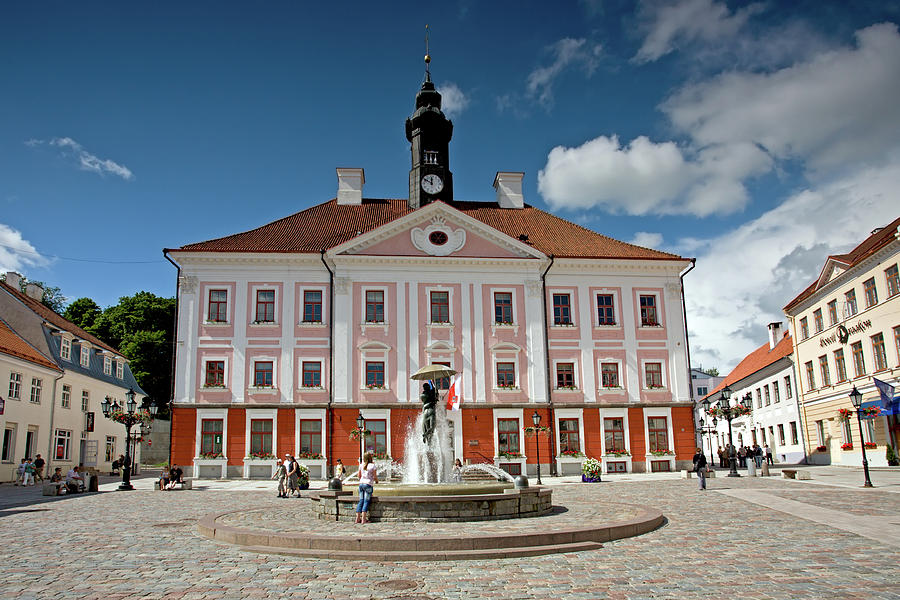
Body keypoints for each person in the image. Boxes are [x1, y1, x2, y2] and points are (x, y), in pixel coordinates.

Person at [355, 451, 378, 524]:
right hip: (368, 484)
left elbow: (358, 476)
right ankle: (363, 519)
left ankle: (357, 518)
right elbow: (374, 476)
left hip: (361, 484)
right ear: (370, 458)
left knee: (361, 500)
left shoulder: (361, 465)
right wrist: (377, 481)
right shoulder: (372, 465)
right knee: (366, 501)